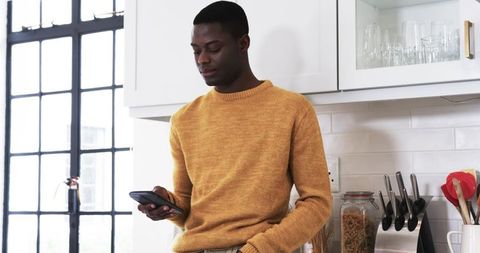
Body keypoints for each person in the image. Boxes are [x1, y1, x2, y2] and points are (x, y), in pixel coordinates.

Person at [137, 1, 332, 253]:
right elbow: (186, 208)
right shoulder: (184, 119)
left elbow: (317, 203)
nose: (202, 60)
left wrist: (258, 249)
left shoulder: (293, 109)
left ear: (243, 44)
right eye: (196, 51)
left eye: (213, 48)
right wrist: (168, 206)